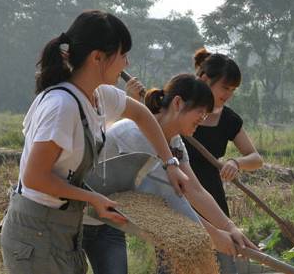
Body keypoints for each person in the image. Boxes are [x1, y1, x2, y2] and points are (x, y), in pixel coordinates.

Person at [0, 10, 188, 274]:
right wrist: (92, 198)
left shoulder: (98, 95)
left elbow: (143, 114)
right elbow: (34, 178)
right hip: (37, 232)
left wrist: (170, 163)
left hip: (63, 228)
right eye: (122, 55)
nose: (127, 63)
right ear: (97, 57)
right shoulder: (62, 107)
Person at [83, 74, 258, 274]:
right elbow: (166, 202)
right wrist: (213, 235)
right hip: (79, 215)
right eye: (200, 112)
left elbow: (194, 189)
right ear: (177, 103)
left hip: (108, 222)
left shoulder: (174, 141)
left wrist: (230, 228)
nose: (202, 120)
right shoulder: (134, 135)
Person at [182, 48, 264, 274]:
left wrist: (236, 163)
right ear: (205, 79)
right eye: (225, 87)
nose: (228, 94)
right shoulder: (179, 109)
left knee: (219, 261)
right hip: (178, 190)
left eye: (233, 90)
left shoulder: (228, 119)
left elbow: (256, 158)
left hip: (210, 197)